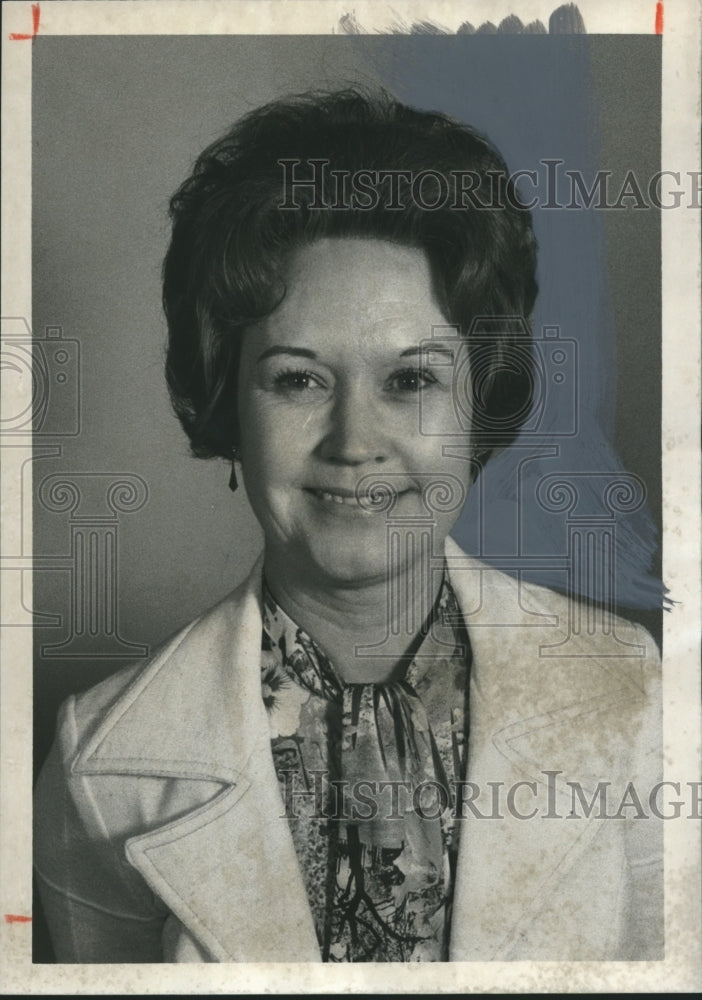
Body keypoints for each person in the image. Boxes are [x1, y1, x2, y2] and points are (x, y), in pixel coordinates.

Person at [33, 89, 662, 963]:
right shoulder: (102, 764)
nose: (355, 443)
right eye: (298, 380)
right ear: (227, 399)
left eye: (410, 381)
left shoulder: (631, 691)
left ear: (481, 397)